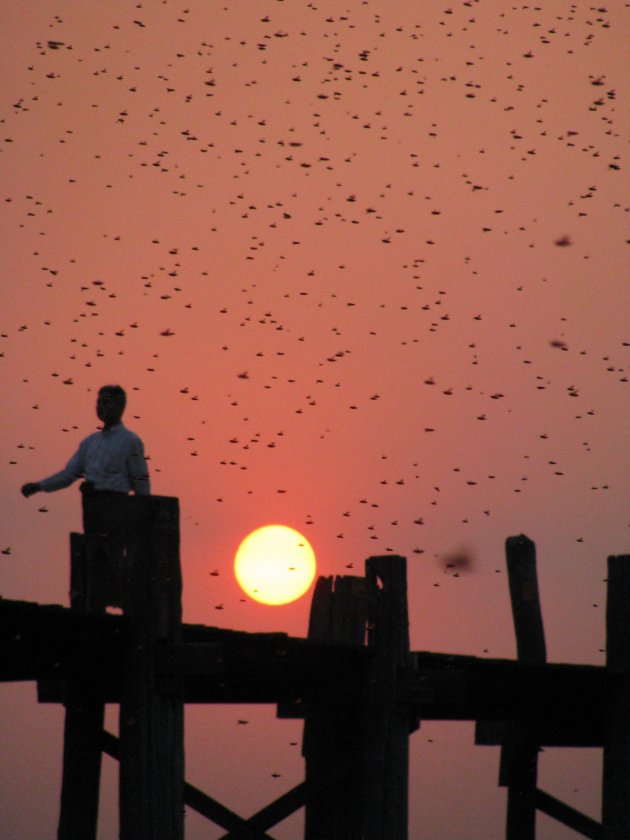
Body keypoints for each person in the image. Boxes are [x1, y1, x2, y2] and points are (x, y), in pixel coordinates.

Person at [21, 385, 151, 611]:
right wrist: (40, 486)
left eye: (107, 402)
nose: (101, 406)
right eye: (99, 402)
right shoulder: (90, 442)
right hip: (92, 506)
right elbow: (69, 474)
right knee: (93, 560)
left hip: (116, 506)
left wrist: (145, 513)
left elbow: (140, 480)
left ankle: (129, 611)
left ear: (120, 407)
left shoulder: (130, 441)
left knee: (114, 559)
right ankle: (94, 611)